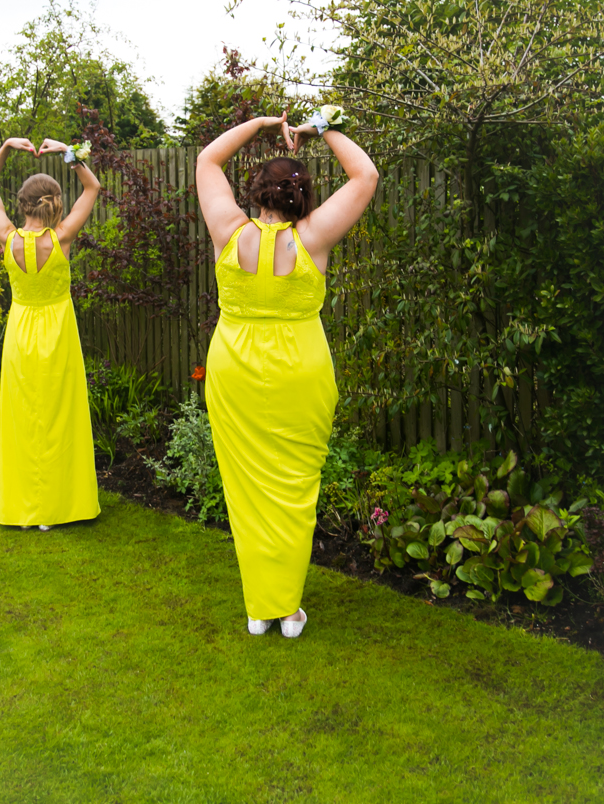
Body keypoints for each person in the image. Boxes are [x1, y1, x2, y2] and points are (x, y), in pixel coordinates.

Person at [195, 110, 378, 638]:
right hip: (300, 365)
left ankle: (260, 608)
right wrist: (325, 128)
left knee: (247, 488)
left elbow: (208, 159)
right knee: (296, 485)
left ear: (255, 194)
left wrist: (255, 124)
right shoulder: (313, 237)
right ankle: (287, 608)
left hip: (234, 365)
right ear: (302, 198)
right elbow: (365, 176)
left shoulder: (227, 231)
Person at [0, 137, 101, 531]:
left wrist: (6, 147)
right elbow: (93, 187)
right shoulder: (62, 237)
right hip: (57, 330)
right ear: (53, 202)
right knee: (57, 415)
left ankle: (28, 506)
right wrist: (67, 151)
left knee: (25, 416)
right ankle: (55, 505)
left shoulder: (6, 236)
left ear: (23, 205)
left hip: (20, 331)